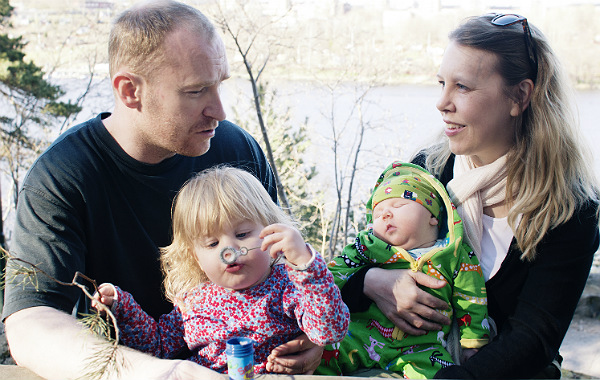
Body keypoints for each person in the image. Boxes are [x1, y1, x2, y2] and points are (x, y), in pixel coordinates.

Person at [2, 1, 323, 379]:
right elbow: (32, 322)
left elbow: (286, 263)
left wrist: (313, 335)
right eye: (196, 91)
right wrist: (164, 374)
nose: (219, 110)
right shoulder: (63, 176)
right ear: (130, 91)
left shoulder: (236, 150)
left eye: (218, 85)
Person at [343, 14, 600, 379]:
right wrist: (371, 282)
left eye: (462, 87)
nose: (442, 102)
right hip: (395, 360)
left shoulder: (569, 209)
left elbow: (533, 339)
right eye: (441, 83)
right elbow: (352, 262)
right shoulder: (424, 174)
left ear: (519, 96)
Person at [92, 166, 350, 375]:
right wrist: (122, 306)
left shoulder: (289, 285)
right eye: (212, 243)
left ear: (270, 232)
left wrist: (304, 264)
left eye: (242, 234)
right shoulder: (195, 301)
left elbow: (329, 329)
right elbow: (158, 346)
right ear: (196, 256)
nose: (229, 250)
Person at [316, 161, 489, 378]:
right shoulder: (366, 246)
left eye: (398, 206)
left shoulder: (454, 256)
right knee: (319, 354)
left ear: (433, 216)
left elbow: (472, 298)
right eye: (377, 213)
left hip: (422, 348)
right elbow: (328, 278)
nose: (385, 214)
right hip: (360, 335)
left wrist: (472, 342)